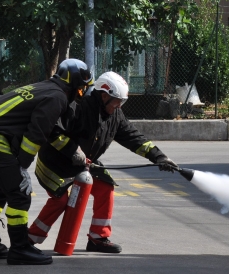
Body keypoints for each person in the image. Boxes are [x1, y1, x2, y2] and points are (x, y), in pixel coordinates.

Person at [0, 59, 93, 265]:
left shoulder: (45, 88)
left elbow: (50, 130)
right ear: (73, 84)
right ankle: (20, 249)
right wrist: (22, 166)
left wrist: (74, 151)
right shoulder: (57, 97)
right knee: (20, 193)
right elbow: (36, 134)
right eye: (81, 89)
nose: (81, 93)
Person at [28, 71, 180, 253]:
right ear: (104, 96)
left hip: (85, 163)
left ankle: (98, 238)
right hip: (54, 162)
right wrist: (73, 151)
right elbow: (53, 131)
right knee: (60, 200)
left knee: (106, 188)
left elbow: (133, 137)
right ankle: (30, 239)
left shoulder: (115, 115)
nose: (119, 106)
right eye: (117, 101)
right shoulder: (78, 107)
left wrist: (158, 156)